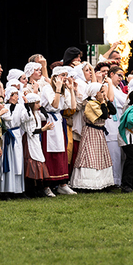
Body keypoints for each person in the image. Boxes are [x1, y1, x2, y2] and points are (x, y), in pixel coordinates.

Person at [69, 83, 116, 190]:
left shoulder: (99, 103)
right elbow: (103, 115)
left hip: (99, 133)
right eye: (102, 91)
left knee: (101, 157)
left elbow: (113, 111)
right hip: (91, 132)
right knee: (90, 156)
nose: (103, 94)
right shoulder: (90, 104)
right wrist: (103, 102)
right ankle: (86, 184)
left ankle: (102, 183)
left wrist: (106, 100)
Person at [40, 66, 77, 196]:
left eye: (66, 75)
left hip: (58, 121)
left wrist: (71, 90)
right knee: (48, 153)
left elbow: (72, 107)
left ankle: (62, 183)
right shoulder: (47, 88)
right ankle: (46, 185)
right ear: (55, 77)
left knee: (61, 151)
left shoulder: (63, 90)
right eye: (62, 75)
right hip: (48, 121)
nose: (65, 77)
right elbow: (54, 105)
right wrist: (58, 88)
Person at [0, 87, 29, 197]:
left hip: (16, 135)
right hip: (6, 135)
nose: (16, 96)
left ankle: (17, 189)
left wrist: (26, 106)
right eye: (13, 94)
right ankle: (4, 189)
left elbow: (25, 119)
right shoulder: (4, 106)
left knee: (17, 161)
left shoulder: (20, 107)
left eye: (16, 94)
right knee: (6, 160)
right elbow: (7, 118)